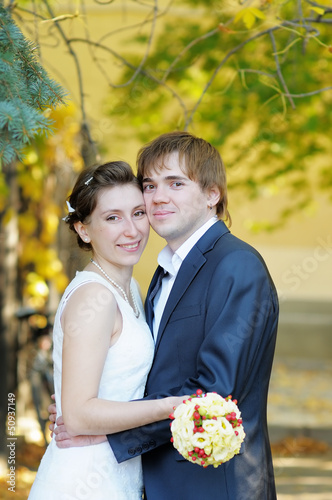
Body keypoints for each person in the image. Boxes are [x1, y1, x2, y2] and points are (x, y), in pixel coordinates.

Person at [50, 132, 279, 499]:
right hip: (149, 480)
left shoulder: (237, 267)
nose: (158, 196)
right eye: (150, 185)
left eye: (175, 183)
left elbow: (214, 394)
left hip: (213, 485)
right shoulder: (160, 273)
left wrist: (107, 429)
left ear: (211, 194)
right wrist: (81, 405)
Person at [28, 161, 185, 500]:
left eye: (138, 213)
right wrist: (171, 406)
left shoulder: (130, 289)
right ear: (84, 230)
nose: (131, 230)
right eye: (112, 218)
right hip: (83, 481)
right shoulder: (95, 297)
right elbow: (80, 415)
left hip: (118, 471)